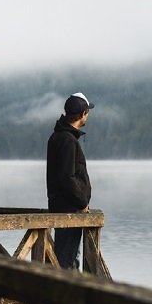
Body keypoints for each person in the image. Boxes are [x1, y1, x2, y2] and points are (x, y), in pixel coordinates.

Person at [46, 91, 94, 270]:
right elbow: (67, 178)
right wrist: (82, 202)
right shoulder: (67, 141)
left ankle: (62, 294)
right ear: (82, 114)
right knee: (66, 262)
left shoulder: (58, 137)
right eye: (87, 112)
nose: (87, 115)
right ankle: (60, 296)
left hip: (63, 208)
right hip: (69, 211)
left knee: (67, 260)